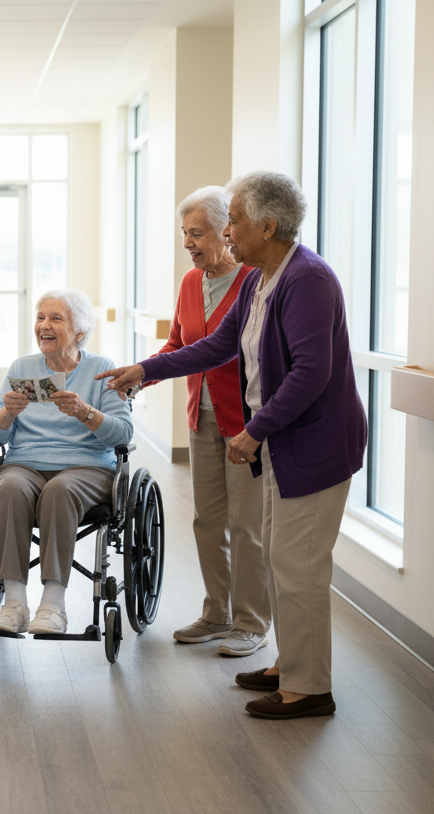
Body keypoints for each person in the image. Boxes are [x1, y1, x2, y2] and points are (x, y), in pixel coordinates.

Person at [98, 171, 366, 719]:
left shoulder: (308, 280)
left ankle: (309, 687)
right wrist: (145, 369)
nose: (230, 232)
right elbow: (218, 345)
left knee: (298, 566)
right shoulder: (262, 279)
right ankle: (288, 665)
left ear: (268, 226)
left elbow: (313, 372)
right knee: (279, 557)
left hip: (313, 448)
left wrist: (255, 428)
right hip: (284, 445)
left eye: (236, 221)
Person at [0, 290, 134, 635]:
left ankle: (53, 605)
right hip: (27, 464)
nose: (44, 326)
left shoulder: (102, 369)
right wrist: (8, 412)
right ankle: (15, 603)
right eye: (40, 317)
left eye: (55, 319)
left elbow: (123, 434)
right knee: (7, 486)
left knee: (59, 490)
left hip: (87, 467)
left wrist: (86, 413)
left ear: (79, 332)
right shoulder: (22, 368)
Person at [163, 186, 270, 657]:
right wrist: (136, 375)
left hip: (244, 420)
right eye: (184, 233)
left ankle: (251, 622)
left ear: (226, 231)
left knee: (246, 525)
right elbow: (178, 345)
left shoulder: (254, 280)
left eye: (197, 233)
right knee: (208, 521)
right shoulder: (191, 283)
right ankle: (216, 613)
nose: (188, 242)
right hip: (200, 416)